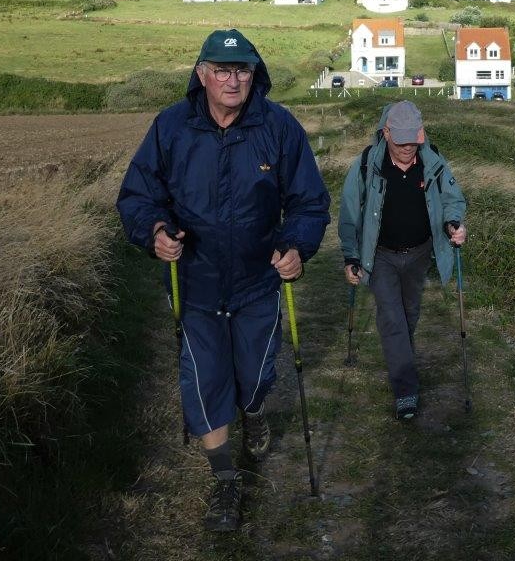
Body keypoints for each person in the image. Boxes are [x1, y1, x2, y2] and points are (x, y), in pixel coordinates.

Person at [116, 29, 330, 532]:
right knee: (205, 378)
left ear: (254, 76)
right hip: (195, 282)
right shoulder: (171, 127)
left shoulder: (279, 127)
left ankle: (254, 411)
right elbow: (138, 196)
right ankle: (225, 480)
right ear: (202, 75)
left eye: (242, 70)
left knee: (254, 377)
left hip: (259, 279)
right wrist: (155, 232)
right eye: (221, 70)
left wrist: (297, 246)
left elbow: (308, 202)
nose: (232, 80)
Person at [338, 101, 467, 420]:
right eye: (402, 141)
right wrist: (350, 255)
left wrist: (454, 223)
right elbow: (350, 214)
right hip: (380, 256)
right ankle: (406, 390)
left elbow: (454, 200)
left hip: (420, 253)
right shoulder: (367, 163)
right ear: (387, 134)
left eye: (414, 140)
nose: (409, 147)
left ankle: (401, 360)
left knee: (409, 313)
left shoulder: (433, 161)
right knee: (392, 318)